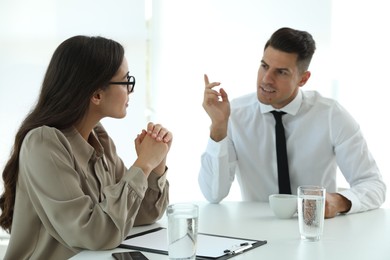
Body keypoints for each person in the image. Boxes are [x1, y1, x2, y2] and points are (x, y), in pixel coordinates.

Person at [0, 35, 172, 259]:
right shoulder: (43, 144)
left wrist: (155, 166)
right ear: (97, 95)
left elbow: (142, 214)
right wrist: (143, 163)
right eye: (126, 80)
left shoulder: (99, 139)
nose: (131, 90)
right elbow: (96, 234)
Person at [199, 27, 386, 218]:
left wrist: (338, 201)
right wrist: (218, 127)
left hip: (318, 232)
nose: (266, 79)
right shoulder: (234, 115)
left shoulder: (331, 115)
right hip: (256, 231)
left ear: (303, 79)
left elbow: (373, 185)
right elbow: (213, 194)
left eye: (281, 72)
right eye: (264, 66)